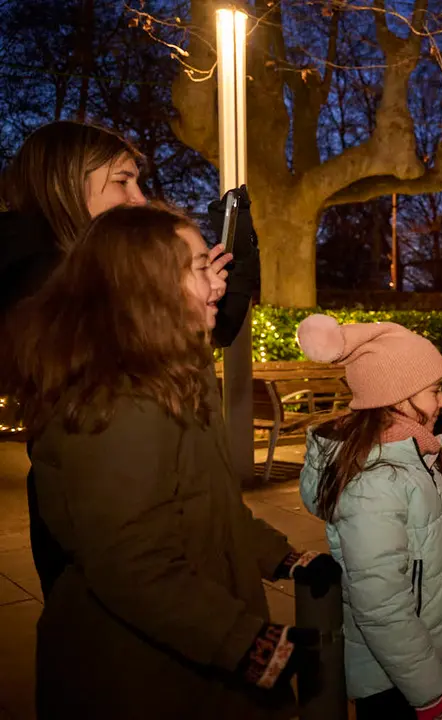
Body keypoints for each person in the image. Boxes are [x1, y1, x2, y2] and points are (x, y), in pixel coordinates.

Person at [1, 205, 338, 718]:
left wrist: (284, 558)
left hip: (188, 654)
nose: (219, 284)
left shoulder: (176, 373)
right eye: (201, 266)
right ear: (145, 284)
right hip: (138, 674)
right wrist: (249, 643)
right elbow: (132, 561)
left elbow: (207, 504)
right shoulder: (115, 399)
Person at [0, 120, 258, 597]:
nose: (138, 197)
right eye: (121, 181)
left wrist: (219, 286)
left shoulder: (81, 274)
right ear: (63, 184)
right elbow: (131, 561)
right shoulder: (49, 282)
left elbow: (191, 344)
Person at [295, 315, 442, 720]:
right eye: (434, 391)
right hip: (396, 681)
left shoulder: (412, 453)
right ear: (397, 397)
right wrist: (429, 694)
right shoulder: (375, 482)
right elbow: (382, 607)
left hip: (415, 662)